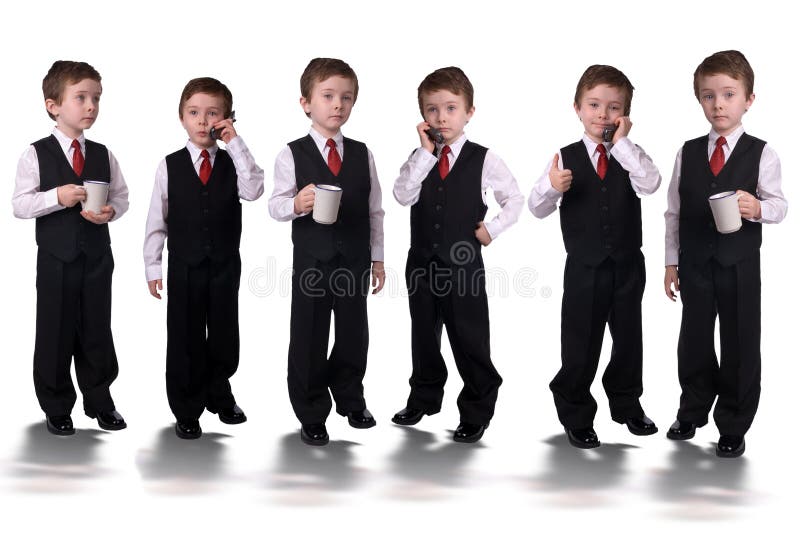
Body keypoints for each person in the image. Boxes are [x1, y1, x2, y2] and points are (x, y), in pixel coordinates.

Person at [529, 64, 661, 449]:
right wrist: (553, 188)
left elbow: (650, 184)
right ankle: (575, 413)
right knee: (580, 343)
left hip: (627, 265)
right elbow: (536, 208)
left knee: (628, 340)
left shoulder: (631, 154)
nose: (603, 114)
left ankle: (627, 405)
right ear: (577, 108)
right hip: (584, 267)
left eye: (613, 107)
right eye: (594, 104)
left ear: (625, 116)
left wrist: (621, 146)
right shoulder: (563, 157)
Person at [663, 50, 787, 458]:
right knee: (694, 340)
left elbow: (780, 205)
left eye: (729, 94)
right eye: (708, 96)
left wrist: (758, 209)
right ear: (699, 100)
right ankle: (692, 410)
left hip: (740, 264)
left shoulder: (762, 153)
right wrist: (670, 262)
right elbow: (674, 211)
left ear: (748, 99)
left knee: (740, 342)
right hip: (696, 263)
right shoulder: (688, 151)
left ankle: (733, 423)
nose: (718, 104)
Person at [392, 66, 524, 443]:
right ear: (423, 117)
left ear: (469, 112)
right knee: (423, 335)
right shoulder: (419, 157)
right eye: (432, 110)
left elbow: (514, 199)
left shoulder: (484, 159)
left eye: (450, 108)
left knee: (469, 338)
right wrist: (425, 154)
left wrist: (492, 229)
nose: (441, 117)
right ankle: (424, 397)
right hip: (420, 262)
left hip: (464, 264)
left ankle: (477, 409)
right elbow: (403, 196)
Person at [268, 58, 385, 446]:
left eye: (346, 98)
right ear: (306, 103)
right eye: (328, 96)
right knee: (310, 335)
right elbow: (275, 205)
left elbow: (374, 210)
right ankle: (311, 410)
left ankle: (350, 397)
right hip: (313, 261)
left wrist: (378, 257)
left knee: (354, 333)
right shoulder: (291, 154)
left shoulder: (362, 153)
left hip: (354, 258)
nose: (338, 105)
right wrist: (297, 204)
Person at [12, 60, 130, 436]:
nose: (91, 105)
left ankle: (100, 400)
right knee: (55, 330)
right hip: (56, 259)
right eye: (80, 97)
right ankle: (57, 404)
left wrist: (111, 211)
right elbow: (19, 204)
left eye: (96, 98)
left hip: (97, 258)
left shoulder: (103, 153)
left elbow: (123, 197)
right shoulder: (36, 154)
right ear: (54, 105)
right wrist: (57, 197)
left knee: (97, 330)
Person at [144, 77, 264, 439]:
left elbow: (255, 190)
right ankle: (186, 407)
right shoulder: (170, 165)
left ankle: (219, 392)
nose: (202, 120)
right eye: (194, 112)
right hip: (184, 264)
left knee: (225, 333)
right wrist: (153, 265)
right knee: (184, 336)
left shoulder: (234, 161)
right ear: (182, 117)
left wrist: (236, 143)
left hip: (225, 263)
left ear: (226, 119)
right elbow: (156, 218)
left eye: (212, 113)